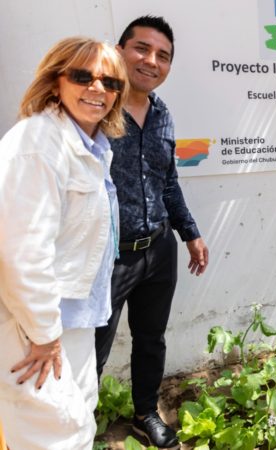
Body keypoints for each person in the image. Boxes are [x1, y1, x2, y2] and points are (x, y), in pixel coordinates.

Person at [0, 36, 128, 449]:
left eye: (110, 82)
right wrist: (43, 334)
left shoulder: (89, 144)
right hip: (36, 327)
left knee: (79, 416)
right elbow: (22, 251)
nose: (97, 88)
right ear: (56, 81)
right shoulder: (37, 143)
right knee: (52, 434)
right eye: (82, 76)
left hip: (74, 315)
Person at [94, 15, 209, 448]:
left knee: (151, 339)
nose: (151, 61)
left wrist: (189, 233)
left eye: (162, 55)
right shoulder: (95, 108)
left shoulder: (162, 114)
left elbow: (167, 180)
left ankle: (145, 412)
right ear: (120, 50)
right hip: (109, 255)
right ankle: (77, 424)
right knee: (92, 348)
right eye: (142, 48)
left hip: (158, 249)